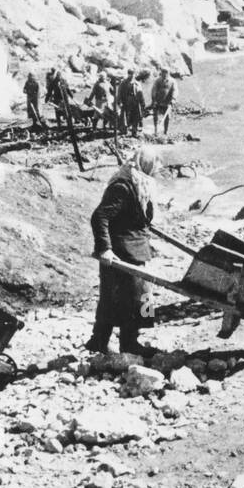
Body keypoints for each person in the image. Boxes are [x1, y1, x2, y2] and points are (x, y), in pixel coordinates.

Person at [89, 147, 161, 356]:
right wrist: (105, 249)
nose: (159, 170)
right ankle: (127, 343)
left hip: (134, 248)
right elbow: (100, 217)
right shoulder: (123, 186)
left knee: (116, 297)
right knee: (139, 298)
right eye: (156, 165)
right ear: (145, 164)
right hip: (121, 251)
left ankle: (99, 341)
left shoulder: (140, 184)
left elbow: (136, 215)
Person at [150, 70, 177, 136]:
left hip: (167, 102)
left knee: (167, 117)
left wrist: (173, 98)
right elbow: (154, 89)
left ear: (168, 73)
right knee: (155, 116)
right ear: (161, 73)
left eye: (166, 73)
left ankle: (165, 131)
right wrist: (153, 99)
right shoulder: (157, 80)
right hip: (158, 101)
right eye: (163, 73)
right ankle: (156, 130)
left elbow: (175, 90)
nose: (164, 75)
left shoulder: (172, 81)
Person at [117, 71, 144, 137]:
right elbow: (119, 92)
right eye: (130, 74)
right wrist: (119, 101)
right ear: (128, 74)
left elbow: (141, 93)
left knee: (136, 116)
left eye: (133, 74)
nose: (132, 75)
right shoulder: (123, 83)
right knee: (126, 116)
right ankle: (124, 131)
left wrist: (142, 102)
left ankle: (134, 132)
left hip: (135, 102)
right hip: (126, 101)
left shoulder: (137, 83)